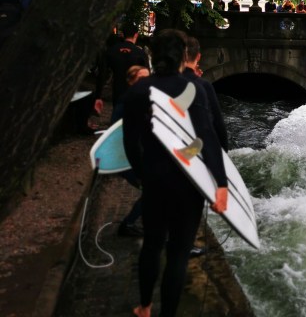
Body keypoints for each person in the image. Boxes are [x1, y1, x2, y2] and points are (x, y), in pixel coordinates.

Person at [123, 29, 228, 317]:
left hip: (155, 179)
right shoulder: (194, 88)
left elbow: (130, 144)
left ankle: (144, 308)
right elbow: (207, 137)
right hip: (187, 181)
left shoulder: (138, 91)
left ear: (153, 56)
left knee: (152, 245)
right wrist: (220, 184)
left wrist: (141, 175)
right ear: (184, 55)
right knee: (179, 253)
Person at [112, 64, 151, 238]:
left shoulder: (142, 100)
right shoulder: (125, 103)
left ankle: (133, 223)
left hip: (139, 154)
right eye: (141, 79)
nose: (146, 83)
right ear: (130, 81)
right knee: (153, 190)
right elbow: (117, 132)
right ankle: (127, 224)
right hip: (126, 157)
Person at [183, 36, 229, 152]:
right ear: (198, 56)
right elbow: (218, 124)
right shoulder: (202, 86)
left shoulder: (156, 84)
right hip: (194, 150)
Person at [94, 22, 150, 115]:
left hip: (117, 90)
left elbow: (102, 74)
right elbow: (148, 75)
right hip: (134, 91)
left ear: (123, 34)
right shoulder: (140, 53)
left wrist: (98, 96)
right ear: (136, 35)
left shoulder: (111, 51)